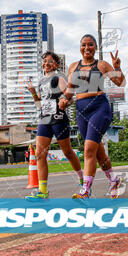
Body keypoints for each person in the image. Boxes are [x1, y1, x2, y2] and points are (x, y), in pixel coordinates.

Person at [64, 34, 126, 199]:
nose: (87, 48)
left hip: (100, 108)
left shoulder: (102, 65)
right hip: (81, 110)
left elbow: (120, 83)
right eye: (84, 45)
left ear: (96, 48)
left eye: (90, 45)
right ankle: (114, 180)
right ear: (80, 47)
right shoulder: (73, 67)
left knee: (88, 149)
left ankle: (85, 190)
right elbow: (69, 92)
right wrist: (63, 101)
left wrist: (117, 68)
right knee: (98, 153)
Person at [24, 51, 83, 201]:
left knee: (68, 152)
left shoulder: (59, 78)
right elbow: (39, 106)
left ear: (56, 65)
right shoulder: (41, 81)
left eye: (50, 61)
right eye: (44, 61)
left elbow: (69, 97)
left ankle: (82, 179)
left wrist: (65, 103)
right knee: (40, 154)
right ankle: (43, 191)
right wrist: (33, 93)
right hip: (44, 120)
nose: (46, 63)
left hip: (59, 119)